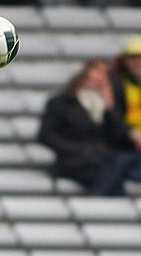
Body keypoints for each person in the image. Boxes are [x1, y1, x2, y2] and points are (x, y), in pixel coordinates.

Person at [38, 58, 141, 195]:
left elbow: (117, 134)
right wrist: (79, 150)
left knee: (117, 169)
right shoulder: (62, 103)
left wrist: (110, 108)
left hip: (103, 162)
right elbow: (46, 135)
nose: (99, 77)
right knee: (113, 176)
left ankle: (97, 200)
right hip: (75, 162)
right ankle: (97, 200)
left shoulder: (109, 105)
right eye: (97, 71)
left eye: (105, 74)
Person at [111, 36, 141, 153]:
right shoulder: (116, 84)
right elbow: (112, 118)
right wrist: (129, 132)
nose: (138, 63)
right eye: (133, 59)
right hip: (124, 147)